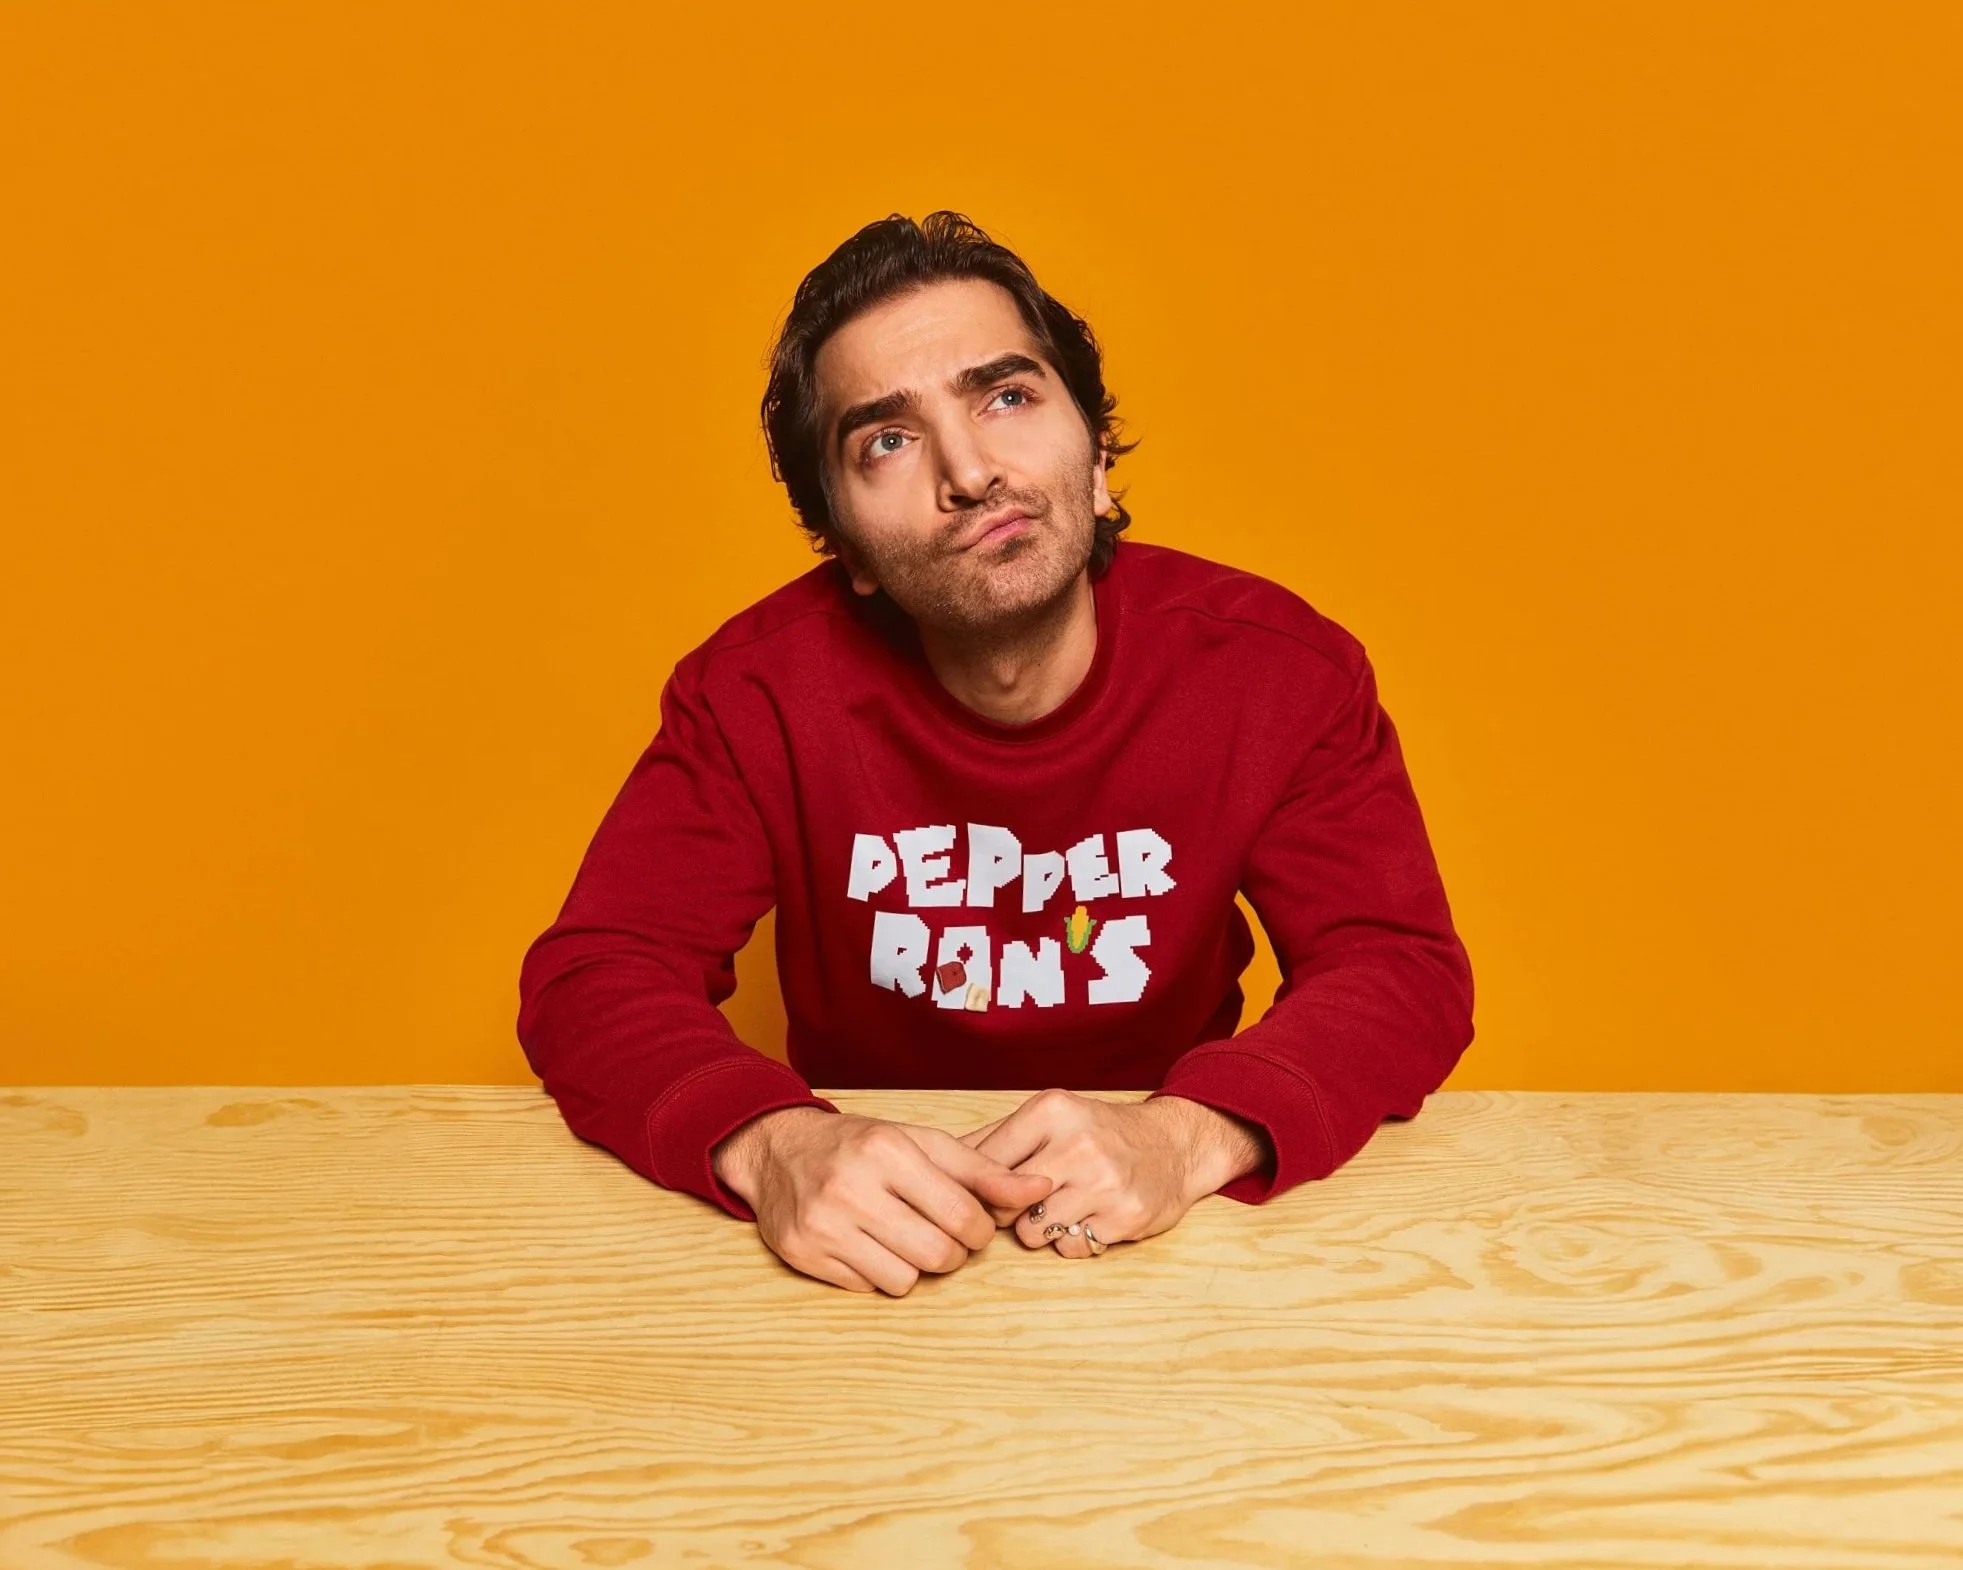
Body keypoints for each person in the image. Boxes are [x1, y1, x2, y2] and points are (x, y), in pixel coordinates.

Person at [516, 211, 1475, 1297]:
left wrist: (1187, 1137)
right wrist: (773, 1141)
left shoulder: (1279, 672)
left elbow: (1398, 967)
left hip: (1176, 1236)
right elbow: (596, 975)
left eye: (1006, 396)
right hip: (867, 1252)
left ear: (1099, 454)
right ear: (849, 550)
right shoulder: (754, 695)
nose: (967, 470)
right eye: (887, 439)